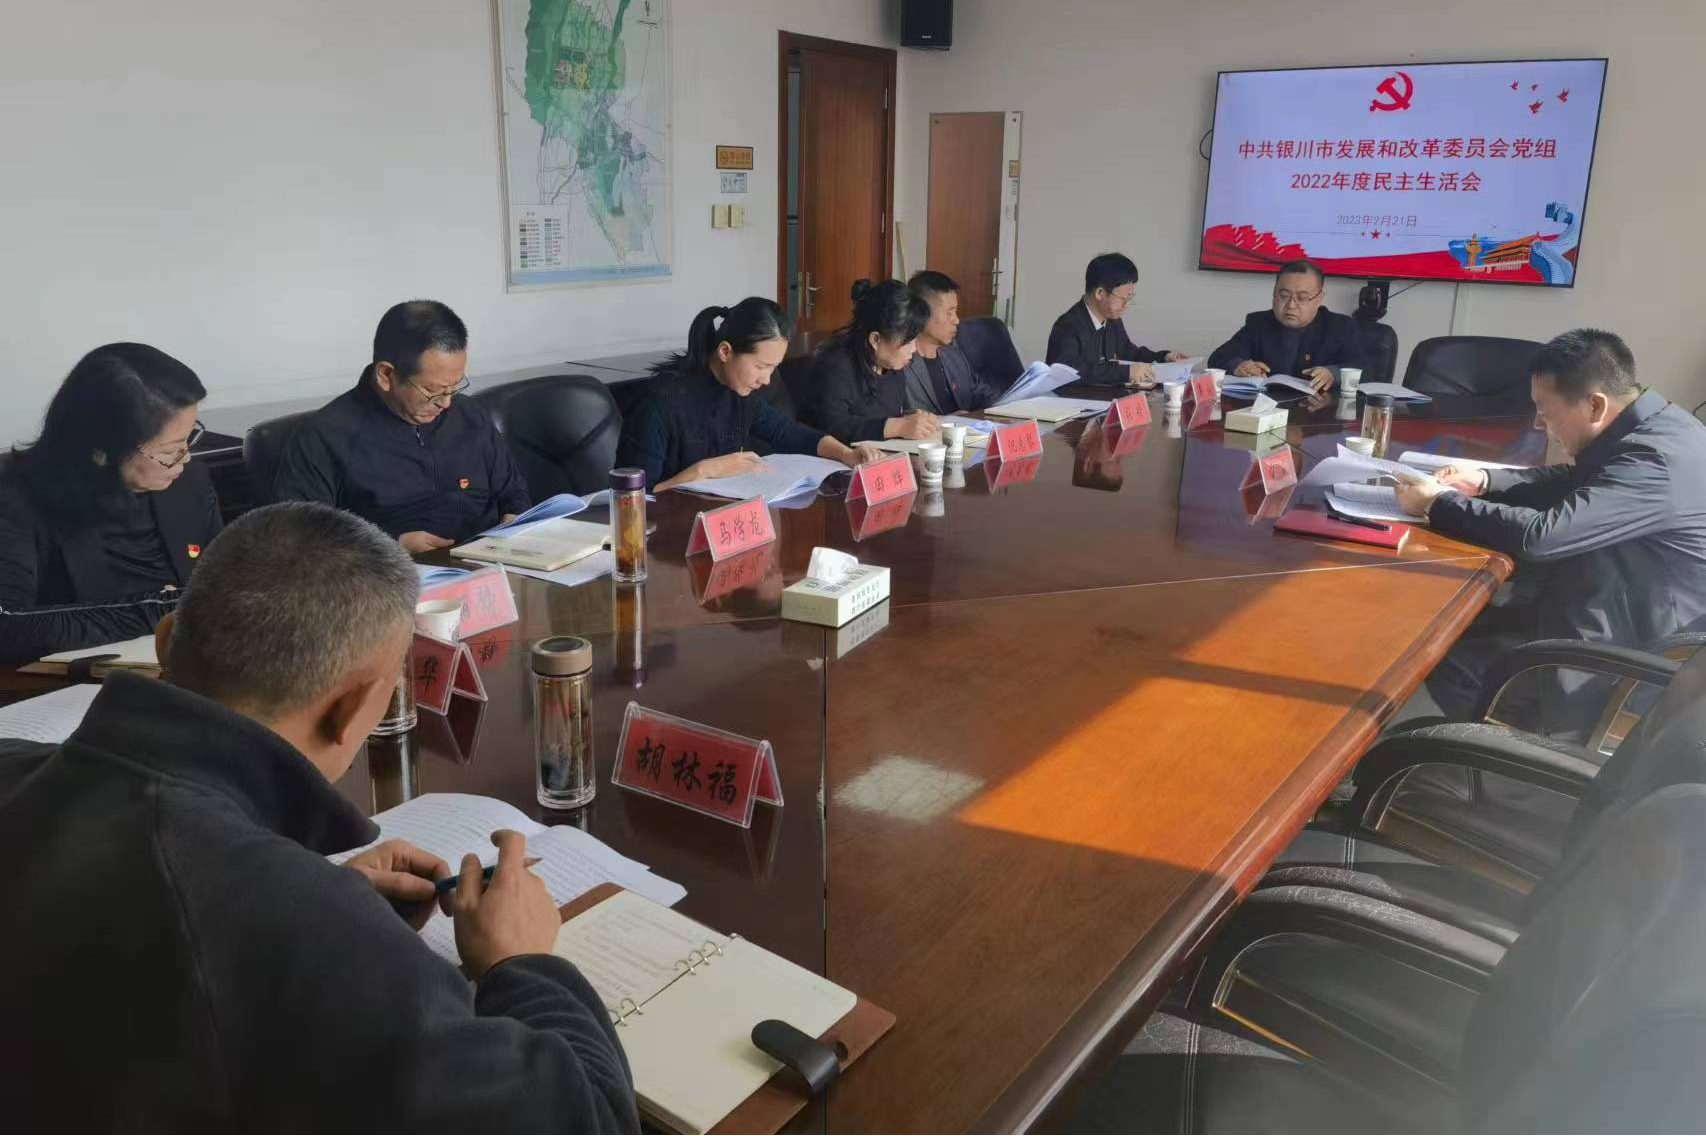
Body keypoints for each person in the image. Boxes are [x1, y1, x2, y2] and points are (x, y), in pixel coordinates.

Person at [0, 502, 638, 1130]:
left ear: (167, 640)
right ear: (352, 706)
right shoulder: (300, 926)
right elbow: (596, 1120)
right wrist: (520, 964)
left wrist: (315, 899)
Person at [1394, 328, 1706, 718]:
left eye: (1545, 411)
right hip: (1613, 602)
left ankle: (1507, 748)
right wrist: (1486, 481)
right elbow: (1577, 482)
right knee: (1458, 628)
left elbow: (1541, 536)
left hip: (1625, 659)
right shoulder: (1660, 426)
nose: (1540, 424)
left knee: (1444, 656)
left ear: (1595, 405)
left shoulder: (1655, 463)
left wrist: (1438, 503)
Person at [0, 343, 222, 666]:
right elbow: (7, 625)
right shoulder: (16, 499)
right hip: (73, 681)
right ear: (101, 451)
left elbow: (223, 582)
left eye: (189, 438)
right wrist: (161, 610)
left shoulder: (189, 483)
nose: (184, 458)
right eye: (169, 450)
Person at [273, 300, 529, 552]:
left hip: (493, 561)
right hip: (395, 571)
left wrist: (514, 518)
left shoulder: (470, 415)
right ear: (386, 375)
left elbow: (512, 491)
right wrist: (392, 545)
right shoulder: (323, 438)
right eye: (432, 390)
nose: (446, 403)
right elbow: (301, 542)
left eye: (455, 386)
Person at [617, 297, 882, 491]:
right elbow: (631, 497)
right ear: (725, 352)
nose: (766, 380)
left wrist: (846, 454)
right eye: (760, 367)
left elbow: (789, 433)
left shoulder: (739, 395)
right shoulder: (660, 403)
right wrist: (706, 470)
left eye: (773, 368)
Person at [1207, 259, 1369, 394]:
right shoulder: (1259, 323)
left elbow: (1366, 367)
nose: (1291, 305)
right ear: (1274, 294)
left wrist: (1333, 374)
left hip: (1319, 415)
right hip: (1267, 411)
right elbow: (1218, 358)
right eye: (1284, 295)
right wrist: (1239, 366)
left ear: (1319, 298)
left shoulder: (1340, 327)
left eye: (1302, 298)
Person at [812, 279, 937, 443]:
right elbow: (832, 426)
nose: (913, 349)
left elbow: (880, 416)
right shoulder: (836, 366)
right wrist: (897, 426)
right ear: (876, 340)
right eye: (907, 342)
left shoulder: (892, 367)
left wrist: (910, 419)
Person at [1046, 252, 1185, 387]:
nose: (1126, 305)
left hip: (1104, 398)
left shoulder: (1113, 321)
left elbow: (1130, 354)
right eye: (1123, 298)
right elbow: (1065, 372)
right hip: (1073, 401)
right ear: (1100, 293)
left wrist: (1164, 357)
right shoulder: (1068, 325)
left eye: (1130, 298)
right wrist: (1126, 372)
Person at [899, 270, 1001, 413]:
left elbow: (982, 394)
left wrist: (1007, 407)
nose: (956, 320)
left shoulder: (953, 354)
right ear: (921, 313)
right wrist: (951, 420)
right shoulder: (899, 363)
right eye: (949, 313)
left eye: (955, 312)